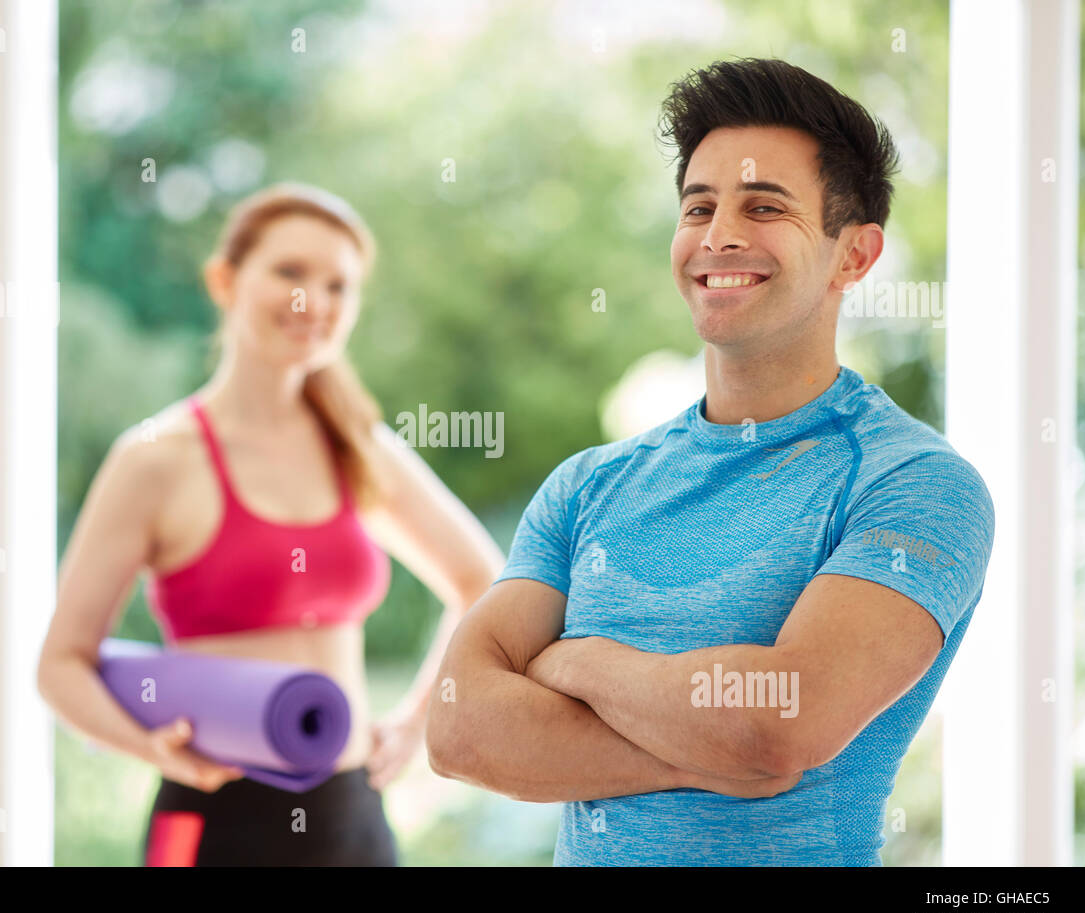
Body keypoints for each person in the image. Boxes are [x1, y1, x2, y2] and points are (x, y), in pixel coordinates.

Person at [426, 57, 996, 866]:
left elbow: (779, 721)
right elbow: (456, 726)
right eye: (699, 207)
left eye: (764, 206)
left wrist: (577, 663)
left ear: (855, 256)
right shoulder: (589, 486)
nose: (718, 235)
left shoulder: (914, 484)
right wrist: (703, 754)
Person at [38, 182, 503, 866]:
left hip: (352, 817)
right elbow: (61, 665)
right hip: (213, 815)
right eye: (289, 273)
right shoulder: (154, 460)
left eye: (338, 285)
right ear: (224, 280)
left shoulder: (359, 446)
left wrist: (417, 722)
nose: (311, 301)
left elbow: (482, 580)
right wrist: (153, 749)